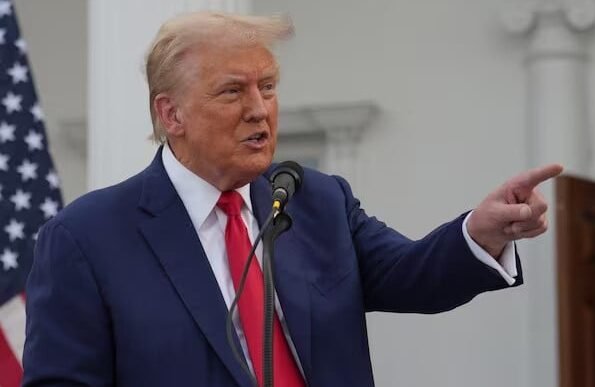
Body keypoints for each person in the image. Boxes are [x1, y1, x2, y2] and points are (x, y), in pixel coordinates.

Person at [21, 11, 562, 387]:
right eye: (233, 91)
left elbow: (411, 272)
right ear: (171, 114)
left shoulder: (315, 200)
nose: (260, 109)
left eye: (269, 87)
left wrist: (482, 232)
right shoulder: (86, 238)